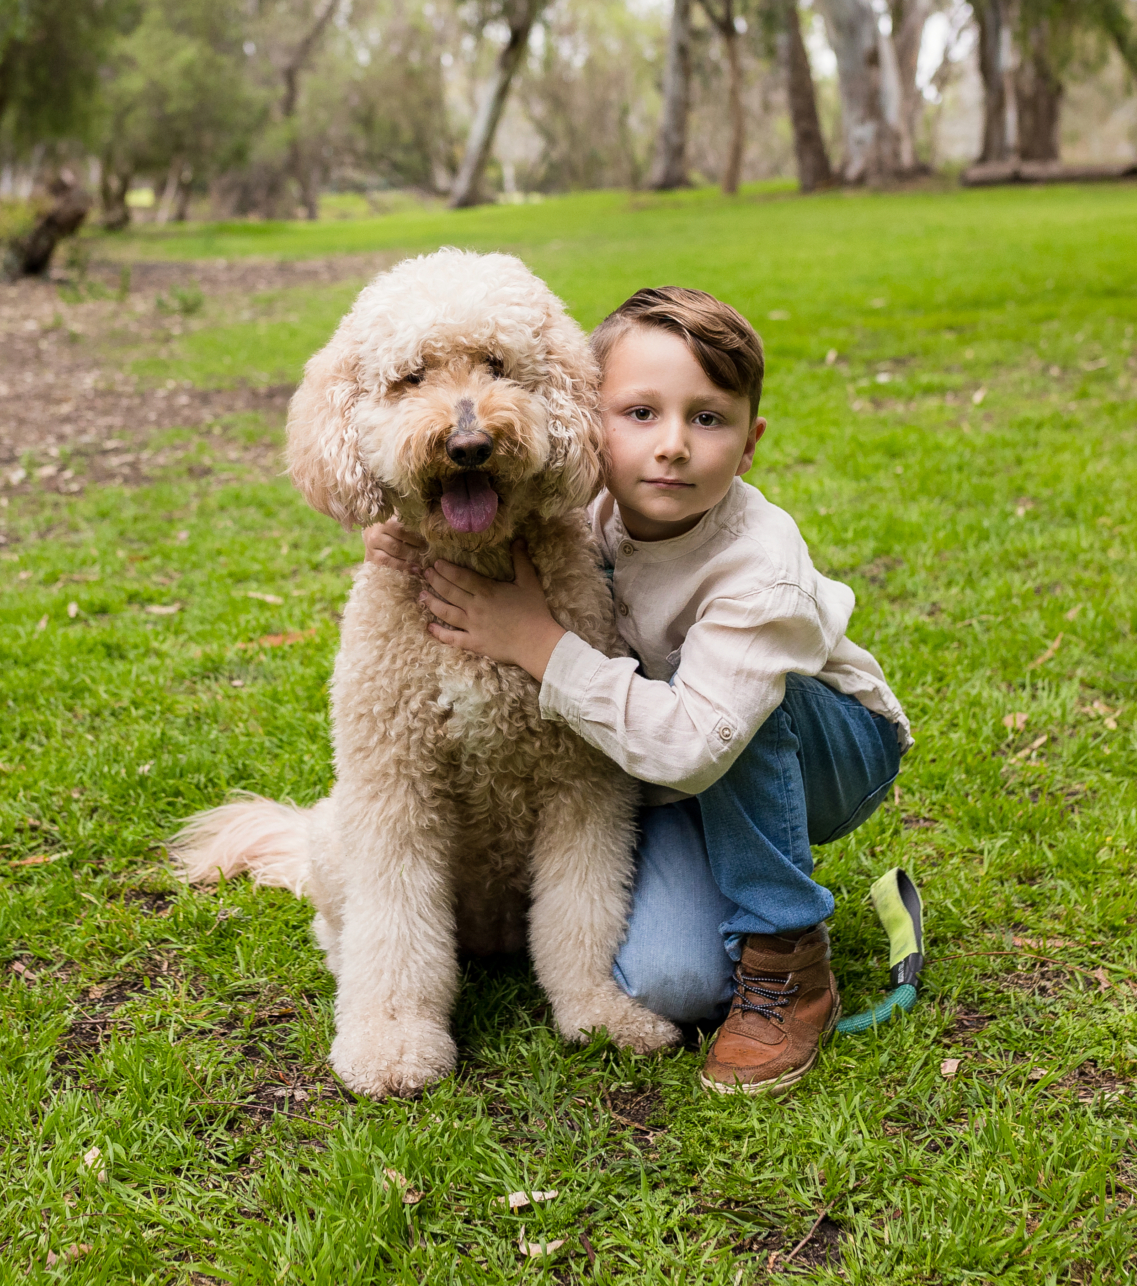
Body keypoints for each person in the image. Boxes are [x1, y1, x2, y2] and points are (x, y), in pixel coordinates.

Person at [365, 286, 911, 1096]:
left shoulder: (758, 570)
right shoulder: (585, 506)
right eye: (641, 413)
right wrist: (416, 519)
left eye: (708, 418)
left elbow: (694, 745)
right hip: (671, 771)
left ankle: (786, 950)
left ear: (751, 443)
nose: (673, 447)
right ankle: (721, 897)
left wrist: (536, 643)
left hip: (818, 750)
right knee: (669, 981)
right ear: (591, 421)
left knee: (739, 711)